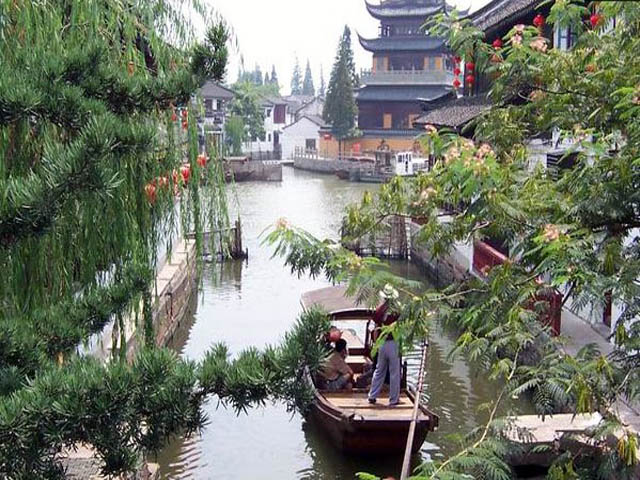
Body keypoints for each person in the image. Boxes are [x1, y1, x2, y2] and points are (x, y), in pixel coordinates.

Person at [368, 285, 401, 407]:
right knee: (394, 373)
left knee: (379, 370)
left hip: (382, 343)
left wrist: (376, 345)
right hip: (393, 343)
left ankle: (372, 395)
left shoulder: (379, 310)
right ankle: (393, 400)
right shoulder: (397, 310)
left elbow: (376, 327)